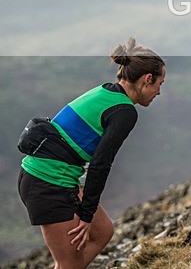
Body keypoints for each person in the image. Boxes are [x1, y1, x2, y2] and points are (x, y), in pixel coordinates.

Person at [17, 38, 165, 269]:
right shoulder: (124, 111)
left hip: (47, 176)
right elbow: (100, 164)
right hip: (48, 182)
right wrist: (85, 215)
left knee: (102, 232)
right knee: (69, 264)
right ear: (148, 79)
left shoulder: (106, 91)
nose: (159, 91)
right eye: (160, 84)